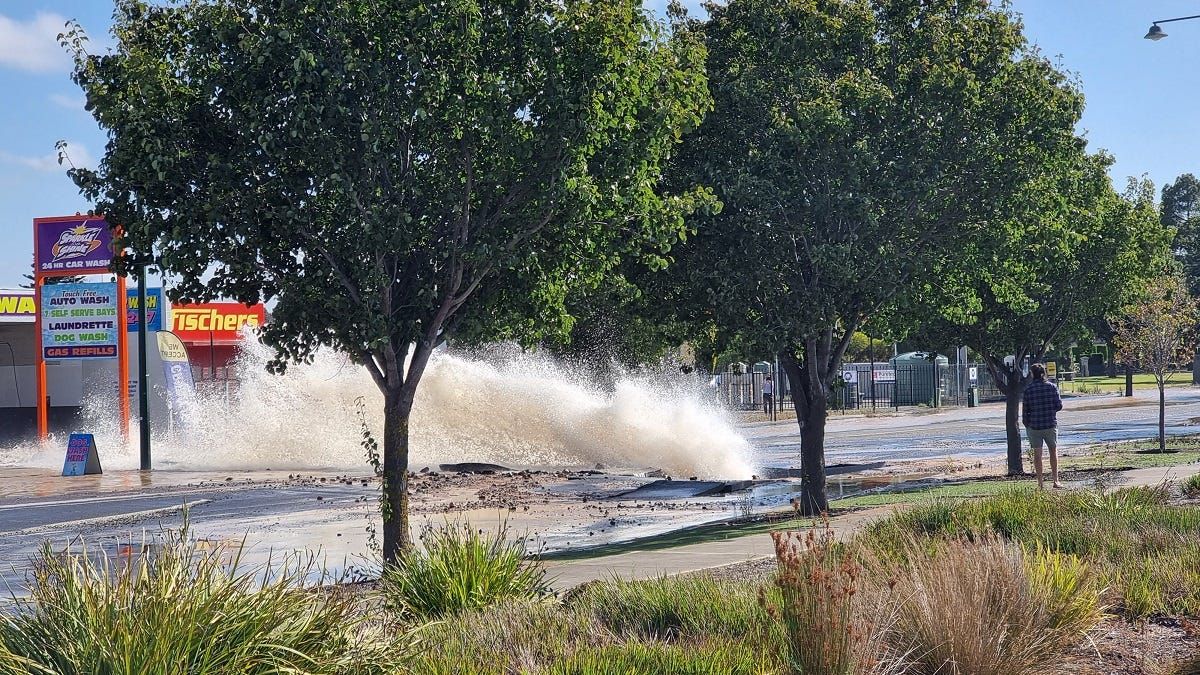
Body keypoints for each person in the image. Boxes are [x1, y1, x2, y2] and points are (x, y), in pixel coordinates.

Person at [1022, 363, 1063, 489]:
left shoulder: (1028, 390)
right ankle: (1055, 480)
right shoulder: (1052, 387)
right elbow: (1059, 405)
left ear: (1032, 374)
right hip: (1050, 424)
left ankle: (1040, 483)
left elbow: (1025, 411)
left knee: (1037, 454)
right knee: (1053, 451)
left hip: (1035, 426)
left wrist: (1027, 424)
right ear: (1044, 373)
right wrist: (1050, 410)